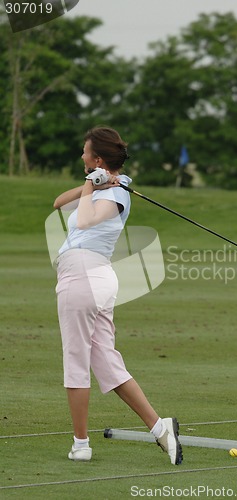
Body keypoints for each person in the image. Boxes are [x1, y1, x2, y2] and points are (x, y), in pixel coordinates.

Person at [53, 126, 183, 465]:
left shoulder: (115, 197)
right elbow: (57, 203)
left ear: (97, 158)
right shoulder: (104, 188)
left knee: (76, 361)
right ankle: (159, 427)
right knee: (106, 363)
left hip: (84, 275)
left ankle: (81, 444)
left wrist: (99, 186)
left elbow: (83, 222)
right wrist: (95, 181)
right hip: (92, 278)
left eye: (85, 153)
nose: (81, 157)